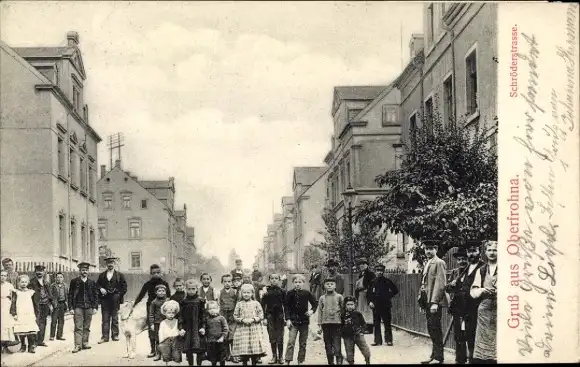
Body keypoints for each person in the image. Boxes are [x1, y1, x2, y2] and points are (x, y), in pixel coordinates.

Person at [419, 241, 448, 365]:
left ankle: (438, 357)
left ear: (436, 249)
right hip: (427, 301)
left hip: (434, 301)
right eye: (426, 249)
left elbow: (440, 284)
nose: (428, 251)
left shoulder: (439, 262)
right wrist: (421, 302)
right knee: (431, 329)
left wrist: (435, 302)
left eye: (431, 248)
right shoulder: (428, 263)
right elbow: (423, 284)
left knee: (435, 329)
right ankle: (434, 355)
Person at [133, 263, 170, 358]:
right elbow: (141, 295)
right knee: (152, 329)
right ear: (150, 274)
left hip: (163, 308)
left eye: (158, 272)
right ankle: (153, 350)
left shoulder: (165, 284)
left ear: (161, 273)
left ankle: (163, 350)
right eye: (154, 273)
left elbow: (169, 296)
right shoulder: (147, 284)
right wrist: (134, 304)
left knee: (163, 329)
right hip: (151, 308)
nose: (156, 274)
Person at [470, 241, 498, 364]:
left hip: (500, 308)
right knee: (483, 344)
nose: (492, 253)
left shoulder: (507, 268)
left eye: (495, 250)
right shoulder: (481, 270)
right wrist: (482, 289)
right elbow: (473, 291)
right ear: (485, 252)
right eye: (490, 250)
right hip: (484, 310)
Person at [445, 248, 473, 364]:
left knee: (470, 335)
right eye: (459, 259)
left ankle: (472, 359)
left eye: (464, 259)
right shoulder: (455, 272)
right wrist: (451, 285)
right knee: (458, 336)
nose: (461, 261)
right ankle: (459, 360)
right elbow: (446, 289)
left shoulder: (472, 271)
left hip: (470, 308)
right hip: (457, 308)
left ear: (468, 259)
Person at [284, 273, 318, 365]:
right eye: (296, 282)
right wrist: (287, 319)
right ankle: (287, 360)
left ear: (303, 283)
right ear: (293, 283)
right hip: (293, 321)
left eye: (300, 282)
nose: (298, 284)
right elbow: (286, 307)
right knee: (291, 341)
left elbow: (315, 303)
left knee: (303, 343)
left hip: (304, 322)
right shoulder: (289, 293)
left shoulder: (307, 293)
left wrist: (311, 311)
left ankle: (300, 360)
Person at [68, 262, 99, 353]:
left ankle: (85, 343)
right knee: (78, 326)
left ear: (88, 271)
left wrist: (95, 307)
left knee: (87, 326)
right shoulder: (74, 282)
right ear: (80, 271)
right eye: (82, 270)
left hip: (89, 307)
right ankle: (77, 345)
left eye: (86, 270)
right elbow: (70, 295)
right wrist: (70, 308)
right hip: (78, 306)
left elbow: (95, 295)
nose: (84, 271)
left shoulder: (92, 282)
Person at [232, 283, 267, 366]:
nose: (246, 294)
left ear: (252, 293)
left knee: (253, 347)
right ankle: (244, 363)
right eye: (244, 293)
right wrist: (242, 320)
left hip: (254, 328)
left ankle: (254, 362)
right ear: (241, 293)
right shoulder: (239, 304)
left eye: (248, 293)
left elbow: (261, 315)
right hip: (243, 329)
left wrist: (253, 319)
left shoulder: (256, 303)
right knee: (244, 348)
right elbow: (235, 316)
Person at [97, 257, 127, 344]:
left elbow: (124, 288)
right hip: (105, 300)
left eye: (112, 263)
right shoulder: (102, 275)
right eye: (108, 263)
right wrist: (101, 289)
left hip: (115, 300)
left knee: (115, 318)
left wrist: (118, 295)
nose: (110, 264)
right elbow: (97, 285)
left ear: (114, 264)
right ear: (106, 264)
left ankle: (115, 335)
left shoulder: (120, 275)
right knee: (105, 318)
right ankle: (104, 337)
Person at [368, 263, 399, 346]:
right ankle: (377, 341)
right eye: (378, 270)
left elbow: (395, 290)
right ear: (375, 271)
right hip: (375, 306)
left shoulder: (387, 281)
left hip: (385, 305)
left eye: (381, 271)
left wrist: (388, 296)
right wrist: (370, 302)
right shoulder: (372, 282)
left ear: (383, 271)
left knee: (387, 323)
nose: (379, 272)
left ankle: (389, 340)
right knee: (376, 324)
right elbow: (369, 294)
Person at [179, 279, 206, 366]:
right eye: (189, 289)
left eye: (193, 289)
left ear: (197, 289)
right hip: (188, 328)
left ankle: (199, 364)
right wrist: (181, 328)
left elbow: (204, 315)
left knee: (199, 348)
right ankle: (190, 364)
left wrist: (203, 327)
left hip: (198, 328)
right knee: (189, 349)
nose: (191, 291)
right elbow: (181, 316)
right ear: (185, 289)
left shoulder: (200, 301)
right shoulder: (184, 302)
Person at [260, 273, 286, 364]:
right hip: (270, 316)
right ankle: (274, 356)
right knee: (272, 336)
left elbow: (286, 305)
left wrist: (286, 317)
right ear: (269, 279)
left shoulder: (282, 291)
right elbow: (262, 305)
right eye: (272, 278)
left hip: (280, 316)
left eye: (276, 278)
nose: (274, 280)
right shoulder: (266, 291)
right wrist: (264, 318)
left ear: (279, 280)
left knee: (280, 336)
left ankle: (281, 357)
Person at [318, 277, 344, 365]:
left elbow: (343, 310)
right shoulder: (322, 298)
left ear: (335, 286)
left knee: (337, 345)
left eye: (332, 284)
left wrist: (343, 322)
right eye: (327, 284)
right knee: (328, 345)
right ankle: (330, 362)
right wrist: (319, 325)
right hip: (325, 324)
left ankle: (339, 361)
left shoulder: (339, 297)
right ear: (324, 286)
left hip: (337, 324)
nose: (329, 285)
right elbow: (320, 311)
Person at [12, 275, 39, 353]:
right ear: (19, 283)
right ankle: (23, 346)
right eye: (22, 282)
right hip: (20, 313)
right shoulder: (16, 292)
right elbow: (13, 303)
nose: (24, 284)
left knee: (30, 330)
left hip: (29, 313)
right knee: (22, 330)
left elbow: (35, 303)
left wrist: (36, 313)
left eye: (25, 282)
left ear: (28, 283)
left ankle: (31, 346)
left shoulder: (31, 292)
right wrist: (14, 314)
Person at [341, 296, 371, 365]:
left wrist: (361, 331)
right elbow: (341, 325)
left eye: (352, 304)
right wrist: (342, 333)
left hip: (358, 335)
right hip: (347, 336)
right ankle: (351, 362)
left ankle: (367, 361)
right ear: (345, 305)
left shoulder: (358, 314)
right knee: (349, 352)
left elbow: (363, 324)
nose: (350, 306)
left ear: (355, 305)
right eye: (348, 304)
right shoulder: (343, 315)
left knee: (365, 349)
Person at [28, 264, 52, 347]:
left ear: (44, 272)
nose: (39, 273)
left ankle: (40, 341)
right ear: (35, 272)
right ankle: (34, 342)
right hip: (36, 305)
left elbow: (50, 294)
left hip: (45, 304)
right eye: (37, 271)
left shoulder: (46, 282)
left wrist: (51, 304)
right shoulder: (31, 282)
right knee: (36, 322)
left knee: (43, 322)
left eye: (41, 271)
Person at [218, 274, 237, 362]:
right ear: (222, 282)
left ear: (232, 282)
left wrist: (235, 315)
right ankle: (227, 355)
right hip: (223, 316)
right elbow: (218, 304)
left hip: (232, 316)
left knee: (233, 335)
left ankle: (234, 355)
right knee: (225, 334)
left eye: (229, 281)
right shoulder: (220, 292)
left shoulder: (235, 292)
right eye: (225, 281)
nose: (227, 283)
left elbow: (237, 304)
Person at [158, 300, 183, 364]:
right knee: (167, 355)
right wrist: (161, 341)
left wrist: (180, 334)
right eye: (169, 313)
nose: (171, 315)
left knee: (176, 355)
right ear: (165, 313)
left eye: (173, 313)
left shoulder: (177, 321)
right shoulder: (163, 323)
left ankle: (176, 362)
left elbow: (179, 329)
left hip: (175, 340)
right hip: (166, 340)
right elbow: (160, 332)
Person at [354, 258, 375, 334]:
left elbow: (372, 285)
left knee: (368, 311)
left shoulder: (371, 274)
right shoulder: (360, 274)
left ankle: (369, 329)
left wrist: (367, 290)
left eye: (363, 264)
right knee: (361, 311)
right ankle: (363, 328)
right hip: (360, 295)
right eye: (360, 264)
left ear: (367, 265)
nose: (362, 265)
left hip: (367, 295)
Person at [205, 301, 228, 366]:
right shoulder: (207, 319)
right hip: (211, 342)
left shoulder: (221, 318)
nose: (212, 310)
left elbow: (226, 329)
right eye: (210, 309)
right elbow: (206, 330)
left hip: (220, 342)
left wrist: (222, 337)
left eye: (214, 308)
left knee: (222, 358)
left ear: (218, 309)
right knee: (213, 358)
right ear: (207, 310)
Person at [149, 284, 169, 361]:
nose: (161, 292)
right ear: (156, 292)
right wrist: (151, 324)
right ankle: (158, 354)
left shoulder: (168, 301)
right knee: (158, 339)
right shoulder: (154, 302)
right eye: (159, 291)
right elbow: (151, 314)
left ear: (165, 292)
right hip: (157, 323)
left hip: (167, 323)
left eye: (163, 291)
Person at [49, 272, 68, 341]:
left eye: (61, 277)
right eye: (58, 277)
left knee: (61, 320)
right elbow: (50, 296)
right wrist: (51, 304)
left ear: (63, 278)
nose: (59, 279)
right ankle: (52, 335)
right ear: (55, 278)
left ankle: (59, 335)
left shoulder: (65, 286)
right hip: (55, 305)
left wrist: (66, 304)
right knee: (54, 320)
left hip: (62, 304)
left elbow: (67, 295)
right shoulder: (52, 286)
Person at [1, 270, 17, 353]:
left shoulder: (9, 285)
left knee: (7, 325)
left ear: (7, 277)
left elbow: (15, 294)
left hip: (7, 305)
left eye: (4, 276)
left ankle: (6, 346)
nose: (3, 277)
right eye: (1, 275)